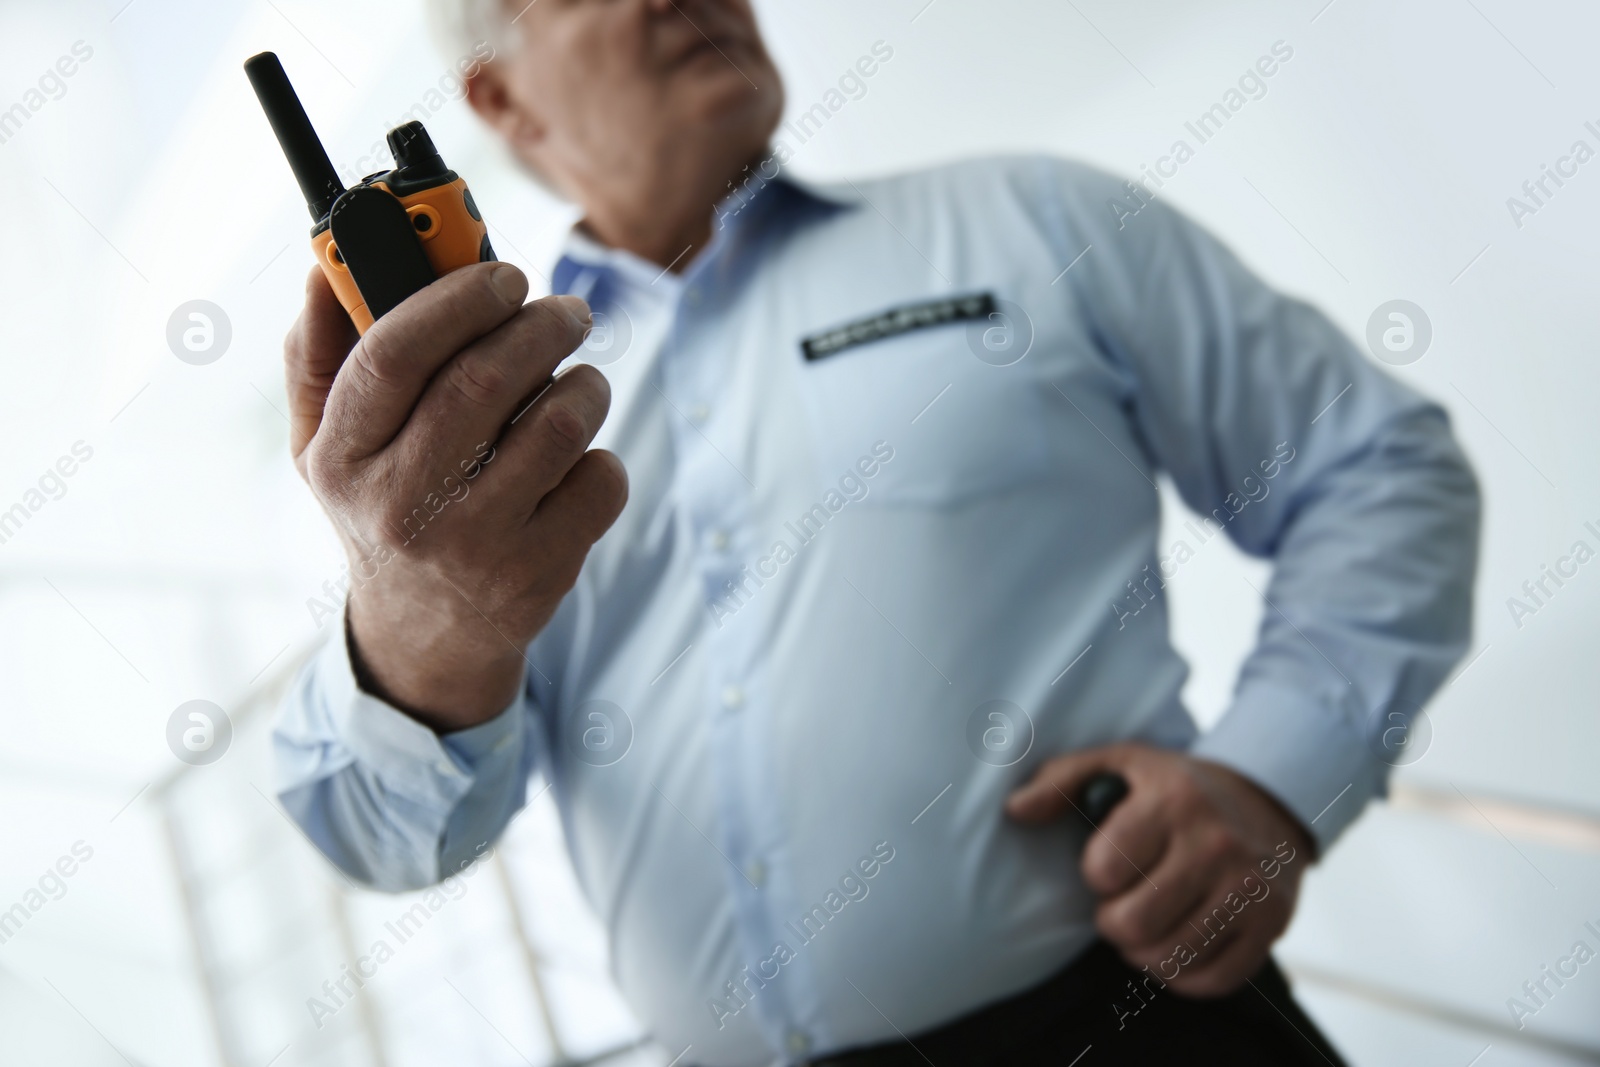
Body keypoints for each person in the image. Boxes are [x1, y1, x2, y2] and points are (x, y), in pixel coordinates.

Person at [272, 1, 1479, 1063]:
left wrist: (1272, 777)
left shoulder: (1036, 222)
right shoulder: (483, 439)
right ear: (500, 95)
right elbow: (385, 840)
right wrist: (414, 624)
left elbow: (1376, 467)